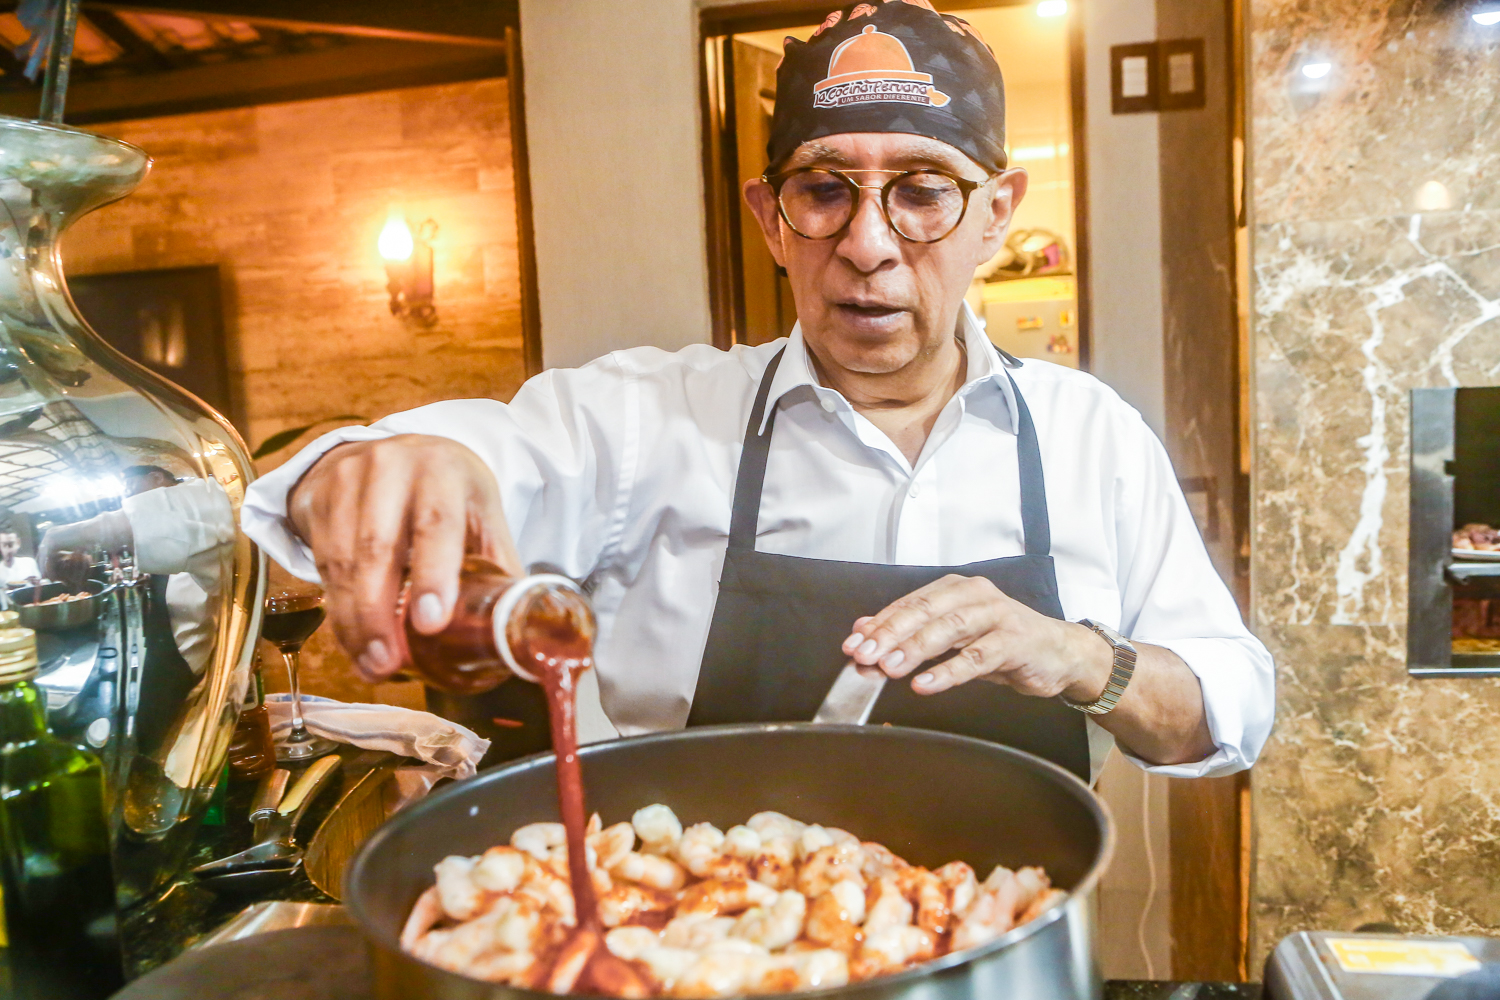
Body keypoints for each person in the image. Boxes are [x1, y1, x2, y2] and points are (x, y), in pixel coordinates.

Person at [243, 0, 1274, 783]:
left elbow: (1224, 711)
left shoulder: (1091, 436)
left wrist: (1082, 658)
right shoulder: (652, 421)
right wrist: (381, 460)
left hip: (1010, 955)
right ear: (772, 219)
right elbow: (492, 450)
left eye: (923, 191)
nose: (868, 245)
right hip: (708, 949)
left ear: (997, 215)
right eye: (823, 190)